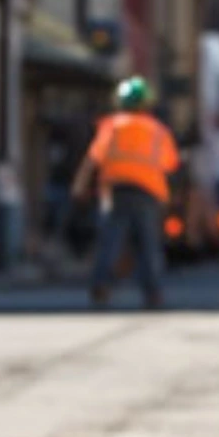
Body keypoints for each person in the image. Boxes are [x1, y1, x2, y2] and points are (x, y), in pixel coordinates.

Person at [73, 76, 180, 308]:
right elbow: (170, 164)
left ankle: (101, 285)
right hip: (148, 192)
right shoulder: (158, 131)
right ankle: (152, 292)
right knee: (148, 244)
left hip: (116, 190)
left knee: (110, 241)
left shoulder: (111, 126)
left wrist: (80, 186)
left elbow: (93, 159)